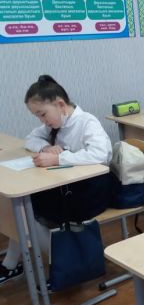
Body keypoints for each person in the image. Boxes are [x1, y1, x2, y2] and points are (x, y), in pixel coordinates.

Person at [0, 75, 112, 285]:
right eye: (38, 116)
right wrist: (45, 147)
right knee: (20, 208)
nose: (42, 121)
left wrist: (58, 158)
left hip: (91, 192)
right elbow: (31, 139)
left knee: (26, 211)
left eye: (43, 114)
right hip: (67, 187)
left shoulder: (86, 122)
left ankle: (68, 263)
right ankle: (15, 262)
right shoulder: (55, 124)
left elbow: (101, 154)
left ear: (60, 104)